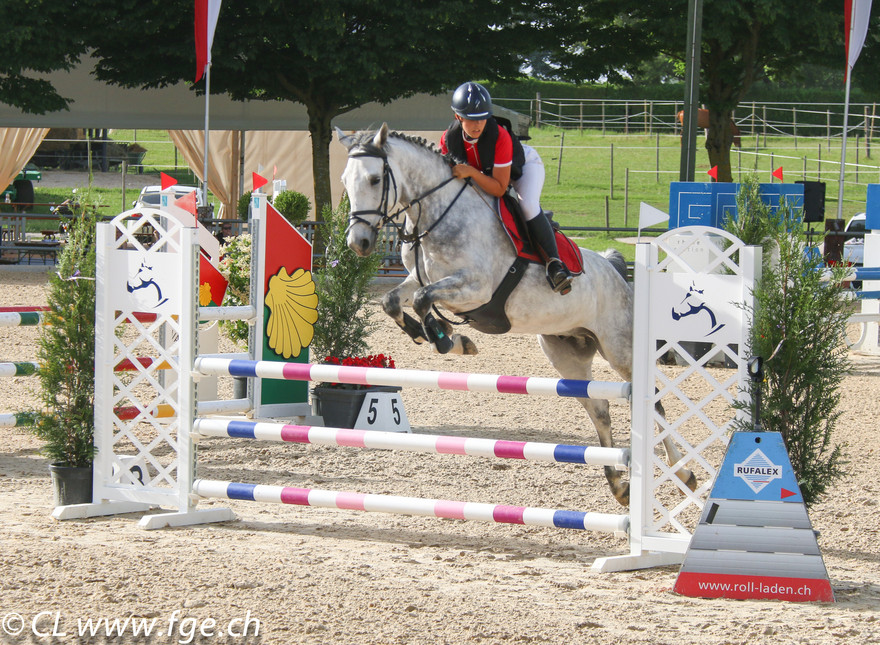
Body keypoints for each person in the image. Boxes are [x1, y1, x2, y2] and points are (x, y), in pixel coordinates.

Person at [440, 81, 573, 295]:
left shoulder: (499, 136)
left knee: (527, 205)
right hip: (487, 174)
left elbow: (500, 188)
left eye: (483, 118)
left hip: (522, 168)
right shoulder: (448, 139)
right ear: (458, 117)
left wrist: (472, 172)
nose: (478, 124)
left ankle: (555, 265)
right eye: (472, 119)